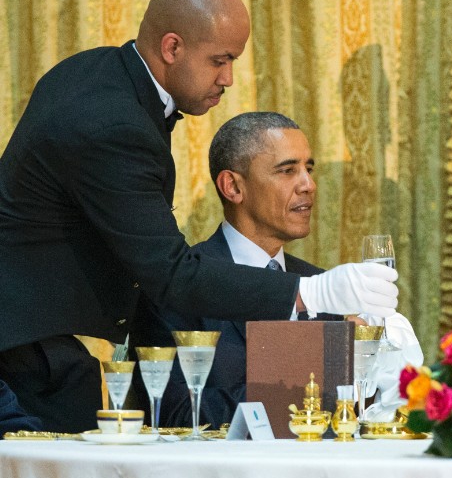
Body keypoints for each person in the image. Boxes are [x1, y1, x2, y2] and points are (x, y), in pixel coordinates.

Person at [0, 0, 398, 433]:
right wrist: (311, 293)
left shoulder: (92, 73)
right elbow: (170, 275)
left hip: (39, 341)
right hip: (20, 350)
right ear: (172, 48)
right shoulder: (113, 122)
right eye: (219, 61)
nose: (228, 78)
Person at [129, 112, 422, 427]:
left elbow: (353, 416)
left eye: (309, 169)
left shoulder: (325, 286)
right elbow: (174, 418)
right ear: (232, 187)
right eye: (287, 170)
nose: (308, 185)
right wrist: (319, 365)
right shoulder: (174, 289)